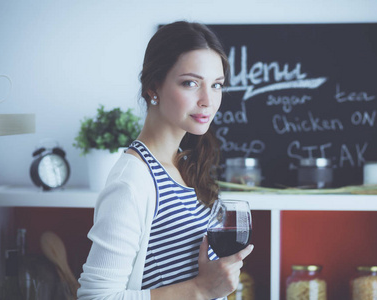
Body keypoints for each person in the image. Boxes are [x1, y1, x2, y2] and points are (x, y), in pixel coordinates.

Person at [77, 21, 254, 300]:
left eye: (217, 85)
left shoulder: (183, 164)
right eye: (190, 83)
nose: (208, 100)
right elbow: (96, 297)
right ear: (153, 87)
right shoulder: (132, 181)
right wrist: (200, 289)